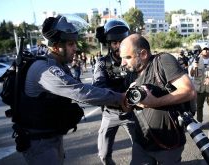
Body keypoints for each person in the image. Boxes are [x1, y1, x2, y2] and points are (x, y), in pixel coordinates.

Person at [15, 15, 126, 165]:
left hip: (51, 137)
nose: (75, 48)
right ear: (55, 46)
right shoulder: (44, 70)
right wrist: (120, 97)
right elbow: (80, 91)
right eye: (70, 44)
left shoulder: (57, 65)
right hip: (40, 143)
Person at [120, 34, 196, 164]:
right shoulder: (130, 74)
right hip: (141, 143)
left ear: (143, 54)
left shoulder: (163, 61)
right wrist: (127, 99)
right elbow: (126, 108)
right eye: (122, 58)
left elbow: (189, 91)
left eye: (127, 57)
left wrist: (154, 102)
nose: (123, 63)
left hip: (169, 143)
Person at [93, 18, 135, 165]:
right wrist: (118, 96)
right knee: (103, 155)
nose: (118, 46)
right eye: (114, 43)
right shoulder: (102, 62)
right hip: (110, 113)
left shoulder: (133, 60)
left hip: (131, 112)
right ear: (109, 44)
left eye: (121, 42)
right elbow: (98, 86)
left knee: (142, 149)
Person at [189, 42, 209, 138]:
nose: (205, 51)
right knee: (199, 106)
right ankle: (199, 121)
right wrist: (194, 67)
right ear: (201, 50)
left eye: (207, 49)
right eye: (204, 49)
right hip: (199, 87)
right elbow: (191, 74)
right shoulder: (196, 59)